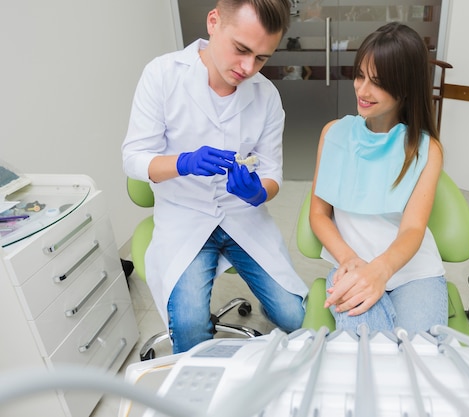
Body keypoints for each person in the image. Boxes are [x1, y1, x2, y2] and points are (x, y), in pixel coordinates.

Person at [122, 0, 308, 353]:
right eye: (241, 49)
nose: (248, 67)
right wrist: (183, 163)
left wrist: (258, 193)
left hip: (243, 217)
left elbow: (272, 174)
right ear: (213, 22)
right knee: (191, 329)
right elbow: (133, 160)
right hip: (185, 216)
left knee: (296, 316)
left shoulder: (266, 96)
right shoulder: (162, 75)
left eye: (262, 58)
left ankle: (269, 298)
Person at [309, 22, 446, 336]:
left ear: (406, 87)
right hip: (352, 266)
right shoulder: (334, 135)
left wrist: (380, 271)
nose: (362, 90)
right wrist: (350, 260)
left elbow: (413, 228)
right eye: (360, 75)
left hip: (414, 272)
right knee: (371, 353)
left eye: (378, 82)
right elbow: (319, 214)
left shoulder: (425, 149)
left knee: (420, 356)